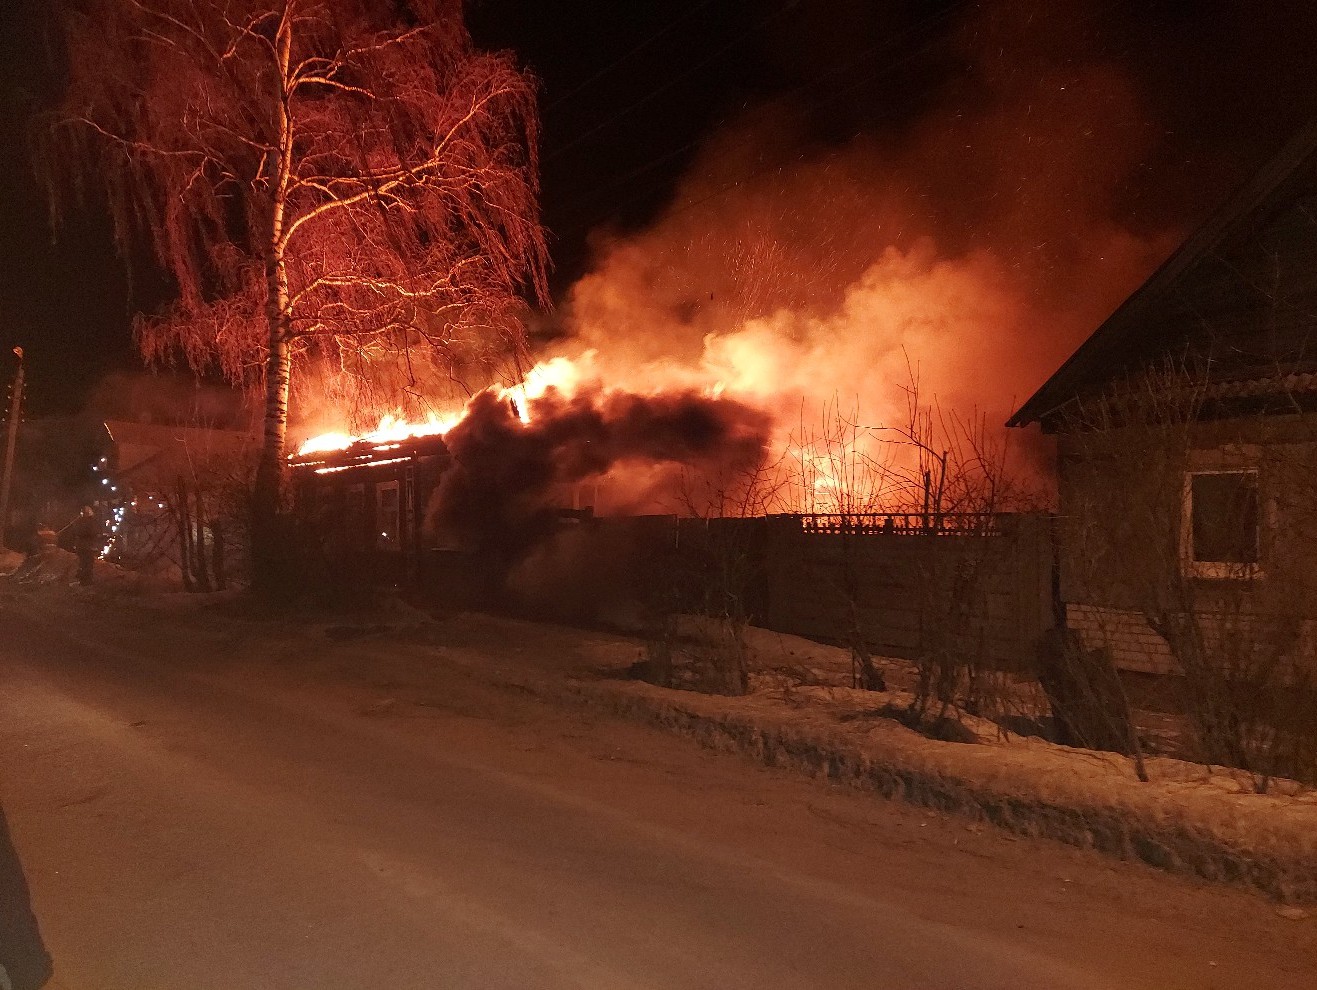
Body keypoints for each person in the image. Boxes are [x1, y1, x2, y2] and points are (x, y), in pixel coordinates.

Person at [69, 505, 103, 586]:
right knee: (86, 564)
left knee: (85, 563)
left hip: (83, 546)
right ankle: (86, 581)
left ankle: (85, 580)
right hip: (86, 546)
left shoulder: (80, 521)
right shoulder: (87, 521)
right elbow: (92, 532)